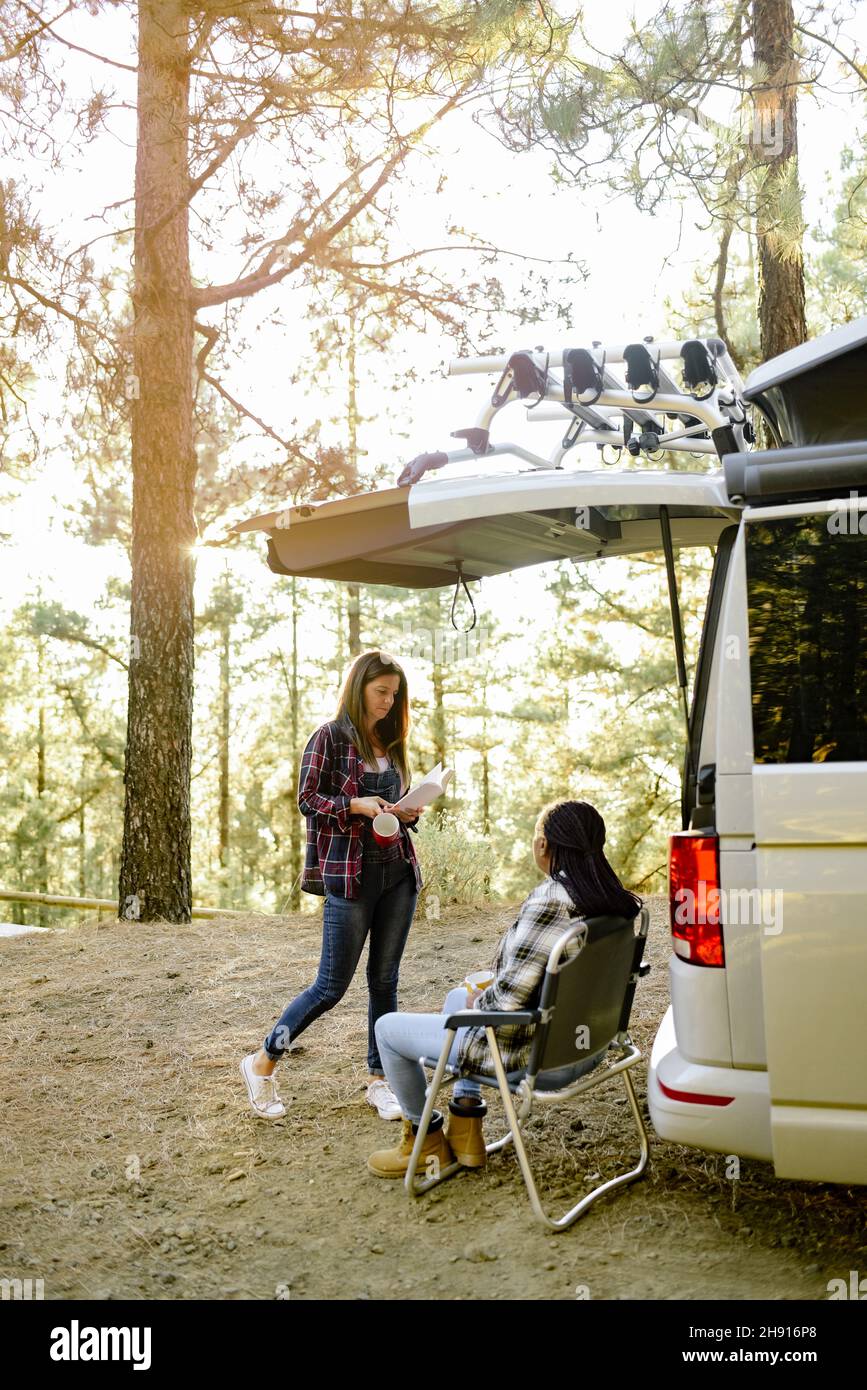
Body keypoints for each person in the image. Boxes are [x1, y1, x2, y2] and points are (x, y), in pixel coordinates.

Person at [366, 798, 642, 1177]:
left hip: (540, 1058)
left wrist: (483, 999)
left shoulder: (551, 901)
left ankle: (425, 1140)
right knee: (456, 996)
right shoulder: (613, 902)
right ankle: (465, 1131)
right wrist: (479, 994)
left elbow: (509, 1002)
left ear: (544, 845)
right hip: (588, 1045)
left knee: (388, 1029)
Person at [240, 649, 427, 1122]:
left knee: (384, 982)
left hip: (398, 873)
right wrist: (356, 806)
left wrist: (405, 810)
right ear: (359, 687)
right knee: (329, 987)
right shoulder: (328, 736)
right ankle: (262, 1062)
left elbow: (394, 803)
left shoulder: (392, 739)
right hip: (351, 874)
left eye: (394, 694)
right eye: (381, 691)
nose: (388, 702)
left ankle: (379, 1080)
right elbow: (307, 799)